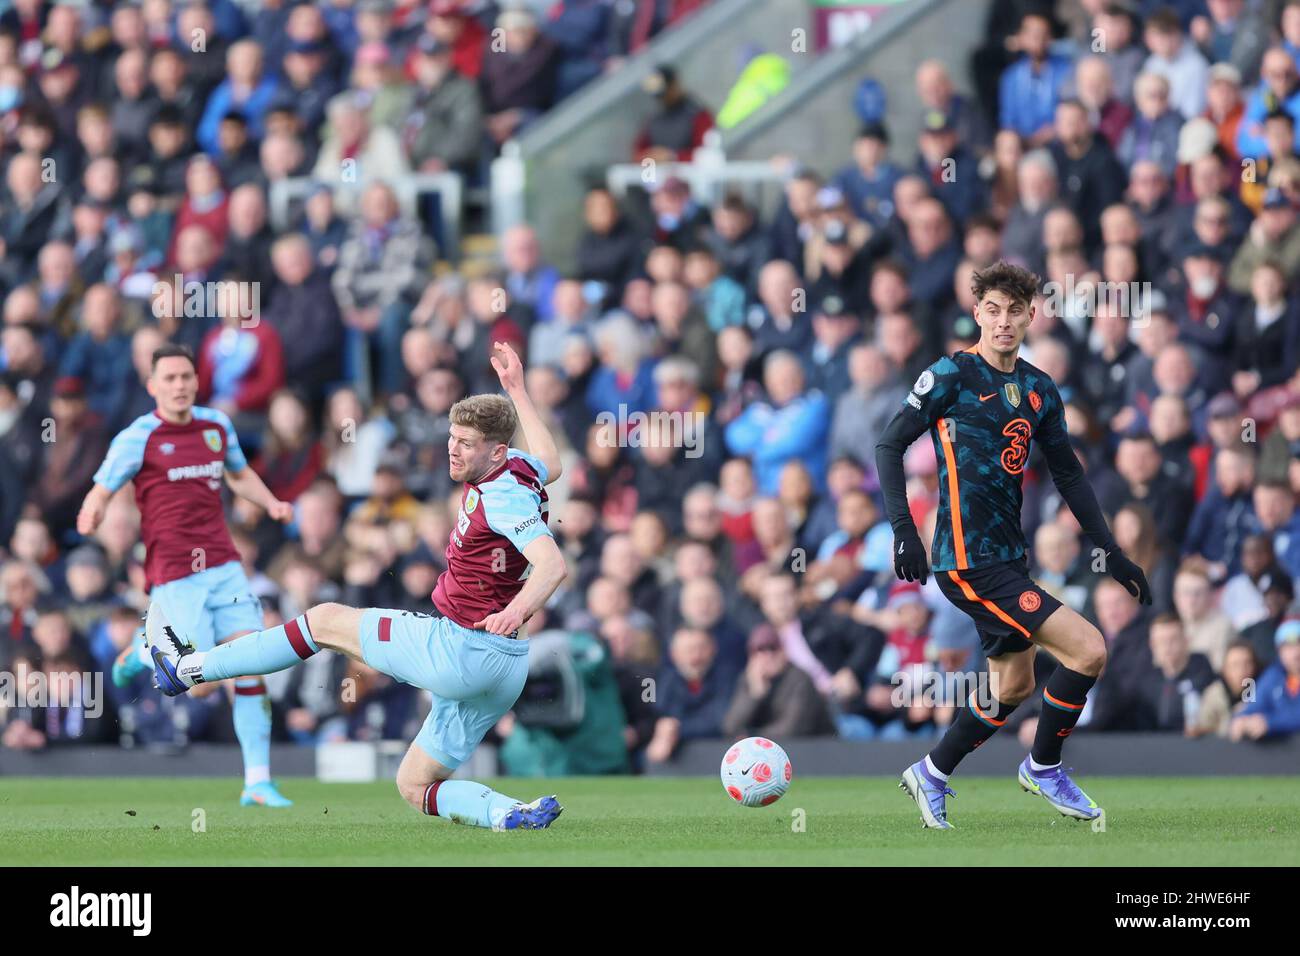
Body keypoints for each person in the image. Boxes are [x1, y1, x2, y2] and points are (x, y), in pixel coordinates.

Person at [147, 343, 569, 831]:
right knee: (415, 785)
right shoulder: (520, 466)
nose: (453, 449)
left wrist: (515, 611)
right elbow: (551, 462)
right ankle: (508, 814)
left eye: (466, 443)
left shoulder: (501, 496)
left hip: (462, 649)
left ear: (494, 450)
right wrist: (516, 390)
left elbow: (552, 566)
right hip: (503, 672)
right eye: (452, 438)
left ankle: (186, 669)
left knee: (324, 620)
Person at [876, 262, 1151, 830]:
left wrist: (1113, 550)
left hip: (1008, 558)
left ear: (1032, 315)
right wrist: (904, 529)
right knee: (1089, 650)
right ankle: (1044, 766)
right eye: (993, 310)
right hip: (966, 561)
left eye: (1015, 311)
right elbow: (889, 445)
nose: (1004, 322)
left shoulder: (1038, 389)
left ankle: (932, 772)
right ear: (978, 314)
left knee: (1015, 685)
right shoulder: (951, 374)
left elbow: (1069, 475)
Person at [76, 343, 295, 807]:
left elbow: (237, 475)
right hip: (174, 573)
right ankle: (142, 652)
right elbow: (104, 486)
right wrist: (91, 512)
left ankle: (257, 781)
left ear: (196, 381)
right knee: (202, 686)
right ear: (152, 385)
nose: (179, 385)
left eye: (185, 377)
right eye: (169, 378)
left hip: (224, 563)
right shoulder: (139, 436)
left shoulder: (216, 426)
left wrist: (271, 501)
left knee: (251, 660)